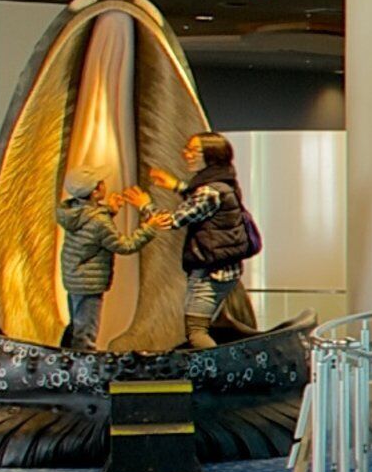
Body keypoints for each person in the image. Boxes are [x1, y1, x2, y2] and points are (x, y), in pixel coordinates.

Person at [154, 133, 258, 348]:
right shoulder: (224, 183)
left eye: (193, 150)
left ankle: (211, 375)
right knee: (207, 325)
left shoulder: (208, 191)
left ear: (211, 156)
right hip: (224, 269)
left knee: (196, 332)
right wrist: (176, 186)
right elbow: (199, 202)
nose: (186, 154)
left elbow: (172, 221)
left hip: (210, 272)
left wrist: (143, 204)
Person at [54, 174, 162, 352]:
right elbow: (125, 245)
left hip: (75, 278)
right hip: (89, 283)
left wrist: (109, 211)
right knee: (86, 331)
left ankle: (67, 361)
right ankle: (84, 370)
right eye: (101, 184)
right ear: (95, 192)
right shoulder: (99, 222)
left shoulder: (73, 211)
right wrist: (149, 227)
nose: (105, 185)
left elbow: (90, 229)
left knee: (77, 325)